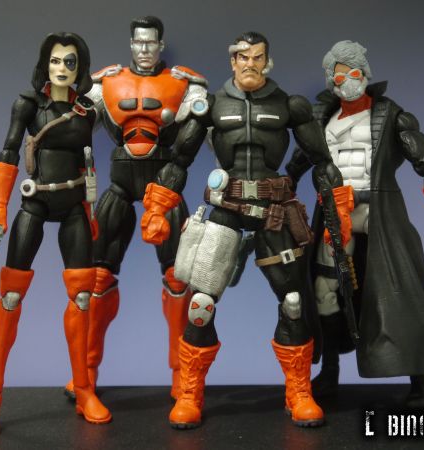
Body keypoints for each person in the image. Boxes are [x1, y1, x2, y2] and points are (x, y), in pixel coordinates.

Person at [140, 31, 352, 429]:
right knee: (200, 305)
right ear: (232, 61)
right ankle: (190, 393)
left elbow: (322, 161)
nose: (249, 63)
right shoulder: (212, 105)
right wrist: (157, 207)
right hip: (227, 210)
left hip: (275, 212)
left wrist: (338, 209)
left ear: (267, 61)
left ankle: (298, 391)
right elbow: (179, 159)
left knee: (293, 301)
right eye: (242, 57)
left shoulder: (289, 105)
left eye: (257, 57)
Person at [286, 40, 424, 408]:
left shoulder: (391, 116)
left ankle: (419, 379)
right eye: (339, 78)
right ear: (331, 81)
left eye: (353, 74)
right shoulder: (321, 119)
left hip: (380, 211)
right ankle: (330, 371)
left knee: (401, 288)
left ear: (365, 74)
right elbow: (296, 165)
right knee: (324, 287)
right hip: (334, 211)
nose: (347, 83)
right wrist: (279, 192)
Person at [0, 32, 111, 439]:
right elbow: (8, 151)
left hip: (74, 208)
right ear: (44, 64)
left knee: (82, 297)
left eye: (70, 62)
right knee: (11, 297)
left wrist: (89, 210)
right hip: (34, 203)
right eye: (55, 60)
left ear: (80, 68)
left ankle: (83, 389)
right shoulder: (28, 105)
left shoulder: (86, 112)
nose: (61, 68)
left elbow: (87, 164)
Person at [63, 16, 209, 400]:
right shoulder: (105, 84)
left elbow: (207, 134)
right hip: (120, 183)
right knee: (97, 278)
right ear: (131, 44)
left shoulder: (185, 84)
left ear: (161, 44)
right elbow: (73, 130)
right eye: (139, 42)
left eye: (151, 42)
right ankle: (86, 371)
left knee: (179, 278)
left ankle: (181, 373)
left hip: (166, 182)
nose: (145, 49)